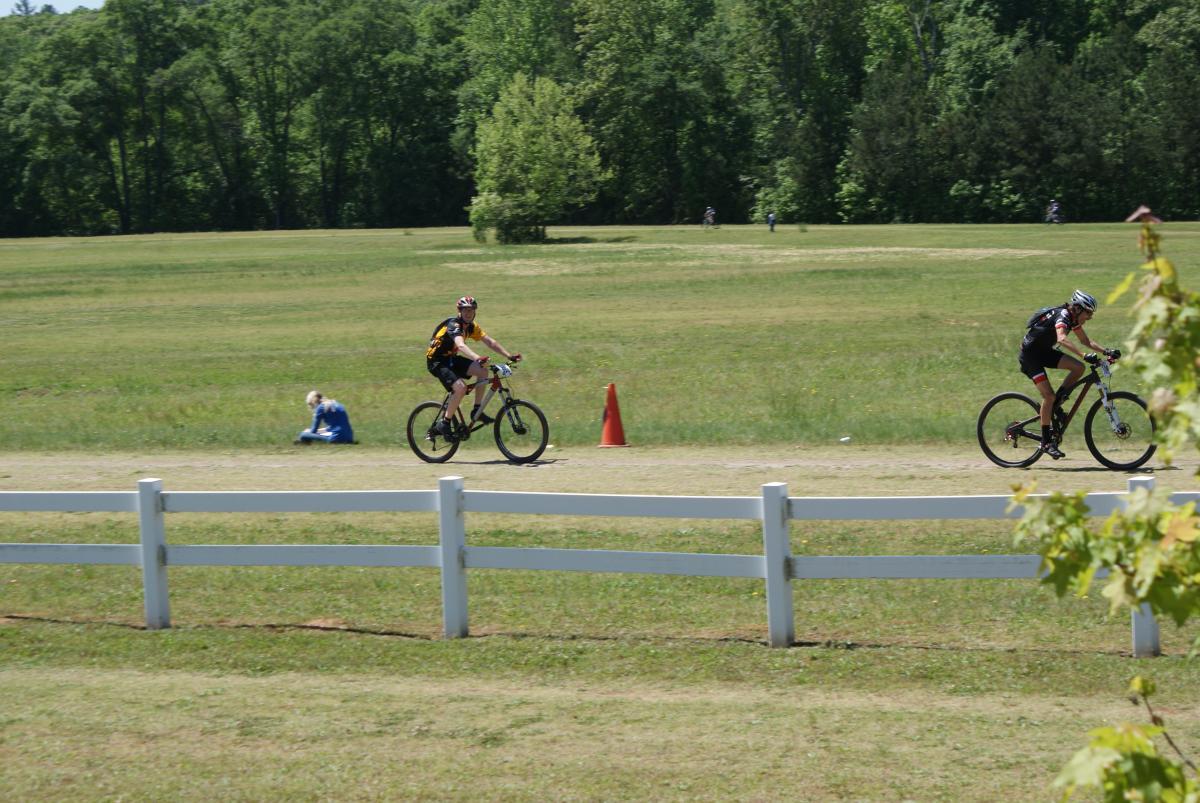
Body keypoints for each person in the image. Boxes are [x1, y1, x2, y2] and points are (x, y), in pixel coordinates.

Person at [1018, 289, 1117, 459]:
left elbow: (1085, 341)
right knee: (1048, 396)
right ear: (1078, 308)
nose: (1090, 317)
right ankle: (1046, 442)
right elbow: (1061, 338)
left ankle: (1057, 403)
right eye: (1088, 313)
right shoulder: (1063, 316)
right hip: (1030, 357)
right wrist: (1084, 355)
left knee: (1078, 368)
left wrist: (1107, 351)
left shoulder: (1072, 319)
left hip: (1043, 352)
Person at [425, 296, 521, 439]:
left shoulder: (471, 326)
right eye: (465, 310)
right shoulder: (454, 325)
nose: (468, 313)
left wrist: (509, 356)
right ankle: (444, 423)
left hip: (451, 358)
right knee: (461, 388)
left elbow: (490, 342)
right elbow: (460, 345)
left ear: (475, 312)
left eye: (471, 310)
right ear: (460, 311)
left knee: (482, 371)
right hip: (437, 361)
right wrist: (477, 358)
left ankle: (477, 411)